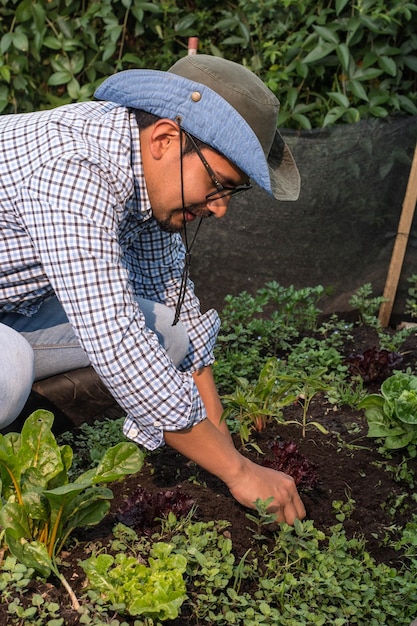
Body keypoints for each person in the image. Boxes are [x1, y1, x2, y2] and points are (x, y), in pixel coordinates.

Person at [0, 54, 305, 524]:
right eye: (219, 184)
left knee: (169, 331)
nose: (220, 209)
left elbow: (172, 307)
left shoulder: (146, 172)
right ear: (165, 138)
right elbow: (115, 340)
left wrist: (222, 441)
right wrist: (239, 473)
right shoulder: (72, 168)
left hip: (12, 305)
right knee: (9, 369)